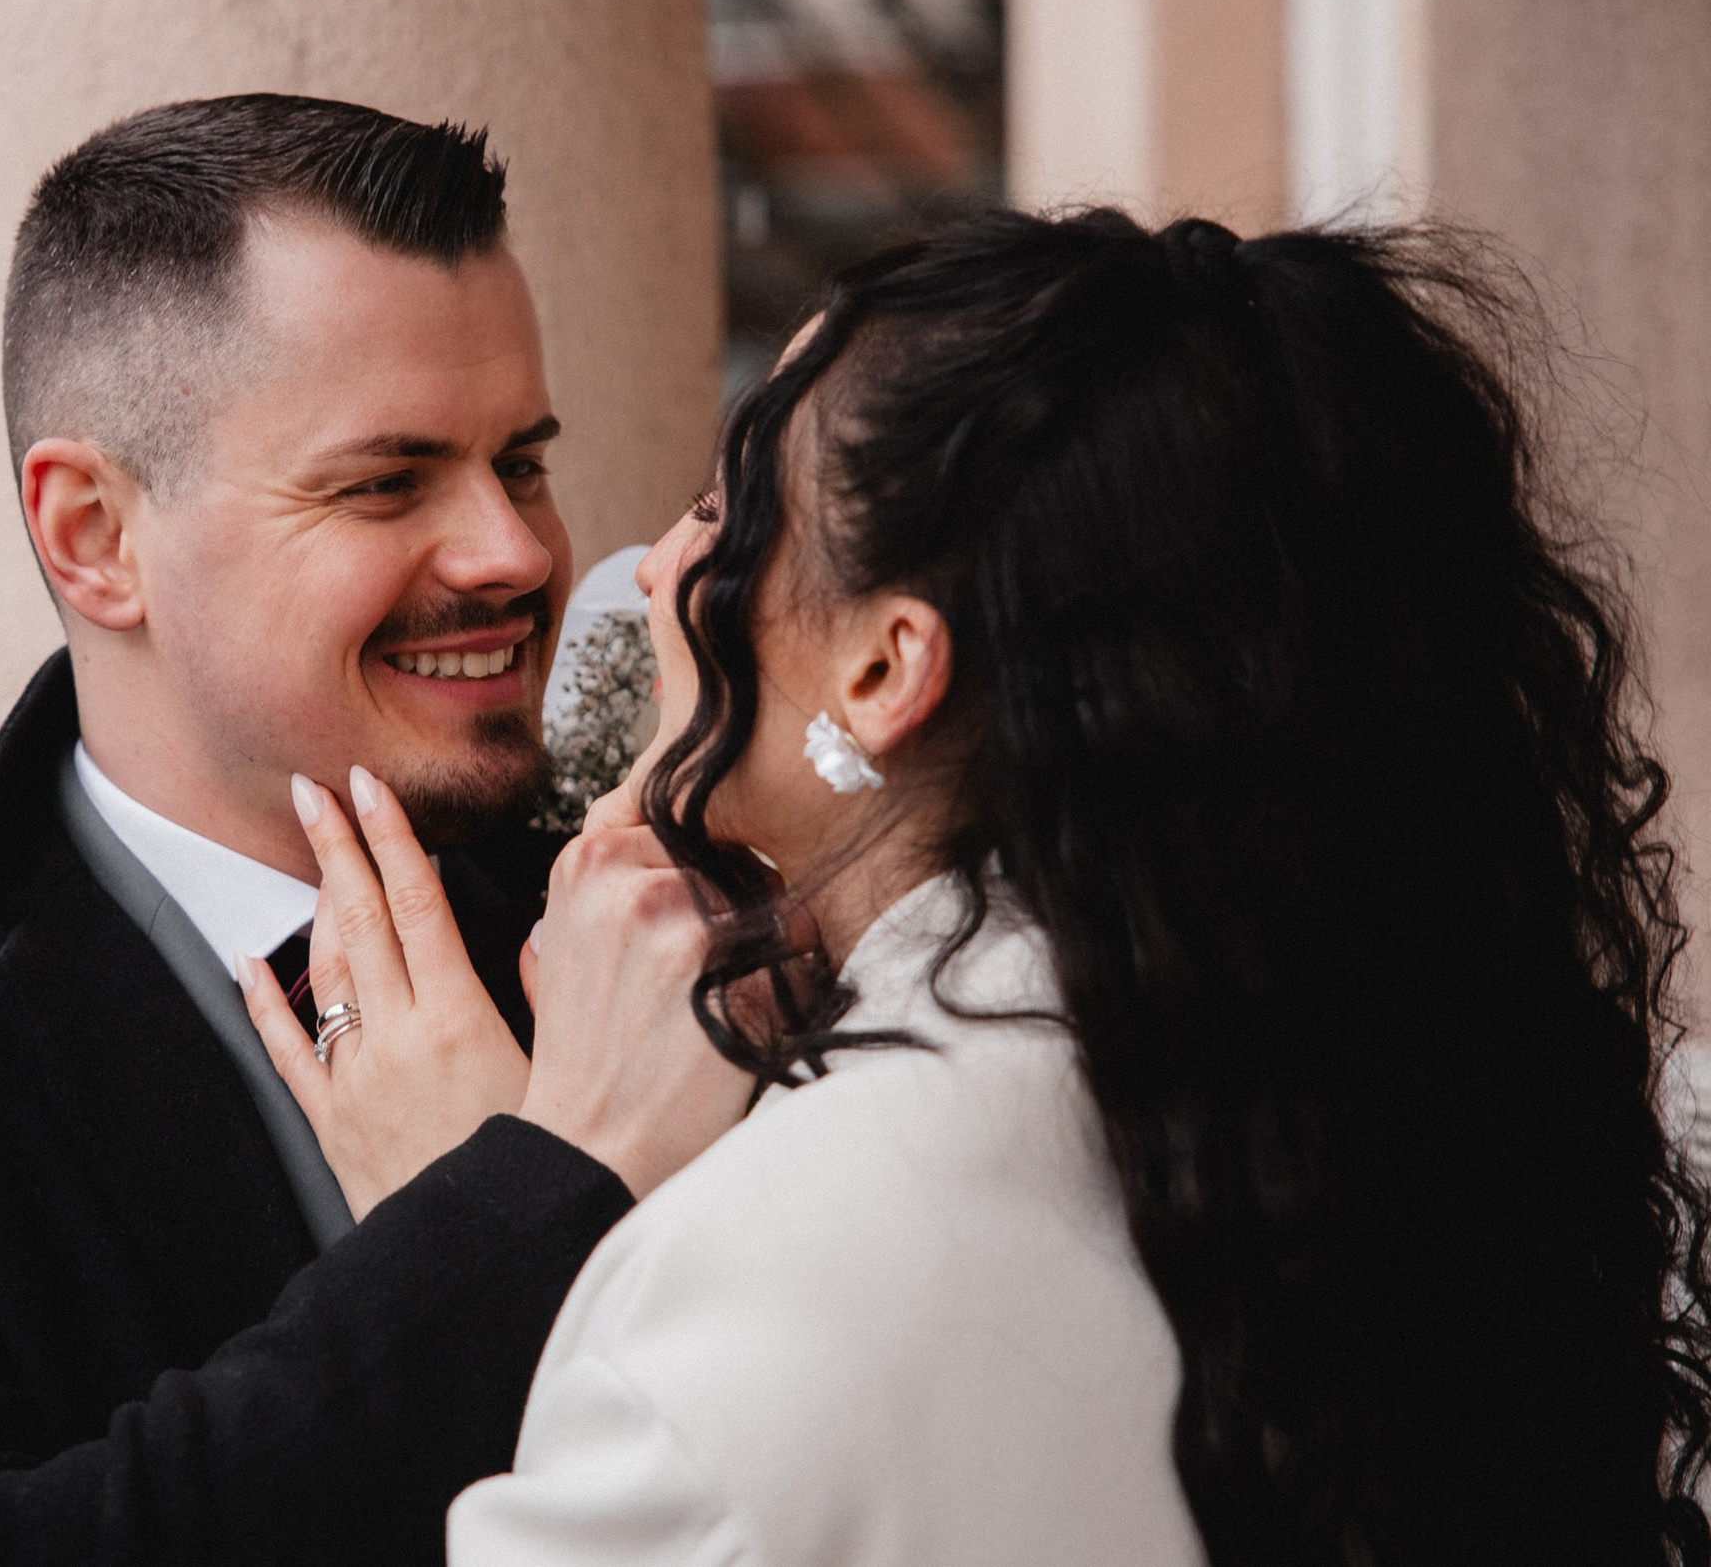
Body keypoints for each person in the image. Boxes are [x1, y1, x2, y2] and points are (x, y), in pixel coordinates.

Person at [265, 209, 1711, 1565]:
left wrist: (490, 1247)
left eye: (724, 510)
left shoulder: (739, 1302)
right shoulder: (1514, 1099)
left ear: (885, 669)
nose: (649, 573)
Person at [0, 95, 702, 1566]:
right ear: (93, 535)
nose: (515, 551)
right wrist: (511, 1215)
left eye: (522, 464)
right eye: (386, 483)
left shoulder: (652, 940)